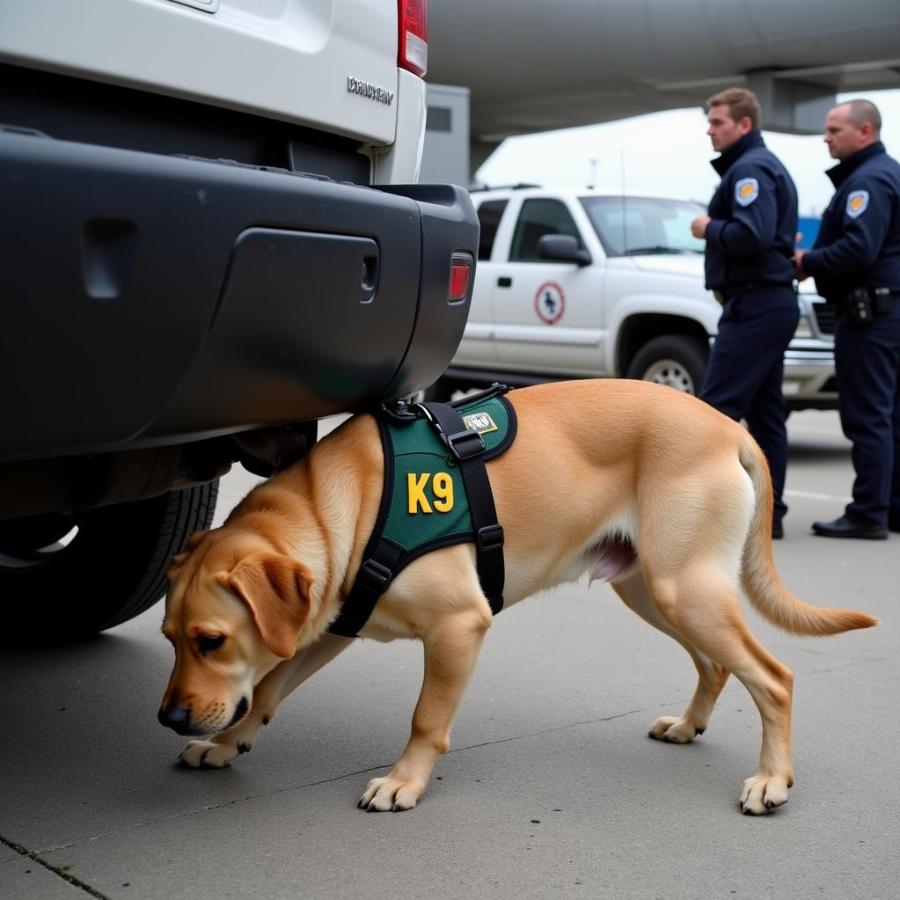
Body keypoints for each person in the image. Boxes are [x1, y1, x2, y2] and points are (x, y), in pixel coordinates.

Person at [690, 87, 799, 538]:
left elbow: (752, 234)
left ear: (744, 125)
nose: (710, 130)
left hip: (755, 304)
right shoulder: (755, 165)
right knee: (767, 414)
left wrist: (708, 227)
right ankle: (766, 515)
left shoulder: (750, 169)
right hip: (765, 302)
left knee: (713, 413)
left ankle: (698, 514)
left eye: (718, 123)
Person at [795, 99, 900, 540]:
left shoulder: (868, 181)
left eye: (835, 129)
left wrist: (809, 259)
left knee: (868, 417)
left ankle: (867, 512)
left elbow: (859, 247)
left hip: (870, 318)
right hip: (887, 310)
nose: (826, 137)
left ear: (865, 132)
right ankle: (890, 507)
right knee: (891, 416)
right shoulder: (887, 172)